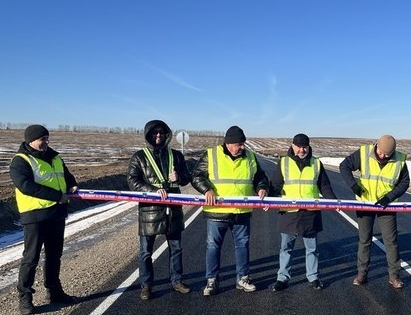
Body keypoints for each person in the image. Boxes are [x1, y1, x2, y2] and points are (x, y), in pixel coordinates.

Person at [191, 125, 269, 296]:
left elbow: (260, 177)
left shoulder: (250, 156)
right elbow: (196, 175)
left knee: (242, 245)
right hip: (217, 212)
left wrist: (262, 188)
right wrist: (207, 190)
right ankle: (211, 281)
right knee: (213, 246)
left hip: (241, 211)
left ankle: (243, 278)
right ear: (228, 143)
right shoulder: (211, 155)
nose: (242, 147)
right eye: (239, 144)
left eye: (243, 144)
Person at [9, 125, 79, 315]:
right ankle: (25, 299)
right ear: (31, 140)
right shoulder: (20, 161)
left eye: (47, 138)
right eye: (43, 139)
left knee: (54, 255)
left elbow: (66, 175)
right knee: (31, 258)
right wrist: (57, 196)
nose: (46, 142)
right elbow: (26, 186)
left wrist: (72, 185)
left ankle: (55, 292)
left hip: (56, 214)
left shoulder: (55, 157)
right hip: (35, 216)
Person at [127, 120, 192, 300]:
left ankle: (177, 281)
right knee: (146, 251)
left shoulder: (176, 156)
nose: (158, 136)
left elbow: (187, 178)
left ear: (166, 135)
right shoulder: (139, 157)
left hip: (173, 210)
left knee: (176, 248)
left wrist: (178, 177)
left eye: (161, 133)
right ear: (149, 135)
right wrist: (152, 191)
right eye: (155, 133)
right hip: (150, 210)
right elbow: (132, 181)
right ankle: (146, 286)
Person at [339, 135, 410, 289]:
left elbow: (405, 183)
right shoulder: (364, 153)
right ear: (376, 145)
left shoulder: (400, 160)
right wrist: (353, 185)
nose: (382, 156)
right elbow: (344, 166)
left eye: (387, 155)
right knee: (364, 240)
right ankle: (362, 273)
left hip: (387, 206)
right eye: (381, 152)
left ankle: (394, 276)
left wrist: (390, 197)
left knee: (390, 241)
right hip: (365, 203)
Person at [268, 133, 336, 291]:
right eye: (298, 146)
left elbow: (324, 186)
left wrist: (334, 201)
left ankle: (313, 277)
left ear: (309, 147)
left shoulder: (316, 163)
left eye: (304, 147)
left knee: (312, 248)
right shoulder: (284, 163)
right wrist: (268, 200)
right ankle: (282, 278)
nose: (301, 150)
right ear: (292, 146)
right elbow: (276, 185)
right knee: (286, 248)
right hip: (289, 212)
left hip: (310, 213)